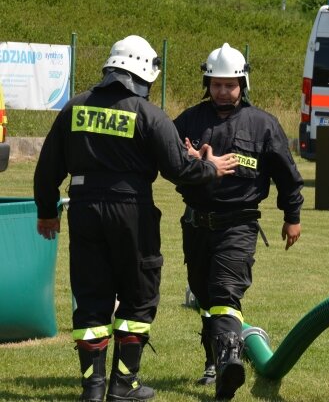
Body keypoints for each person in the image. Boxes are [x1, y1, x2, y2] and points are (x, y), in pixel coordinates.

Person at [33, 35, 238, 402]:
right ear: (144, 72)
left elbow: (47, 169)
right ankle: (124, 384)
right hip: (132, 212)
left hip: (83, 210)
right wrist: (211, 168)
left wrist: (48, 212)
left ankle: (92, 388)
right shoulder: (149, 114)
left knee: (92, 295)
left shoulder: (74, 108)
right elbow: (179, 169)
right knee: (138, 296)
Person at [173, 43, 304, 400]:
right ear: (207, 84)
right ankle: (214, 363)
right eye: (216, 84)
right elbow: (168, 165)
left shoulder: (263, 124)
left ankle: (230, 359)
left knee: (225, 292)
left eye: (230, 84)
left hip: (239, 224)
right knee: (203, 295)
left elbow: (288, 175)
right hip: (196, 224)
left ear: (243, 84)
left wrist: (292, 216)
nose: (222, 90)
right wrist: (191, 162)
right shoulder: (188, 121)